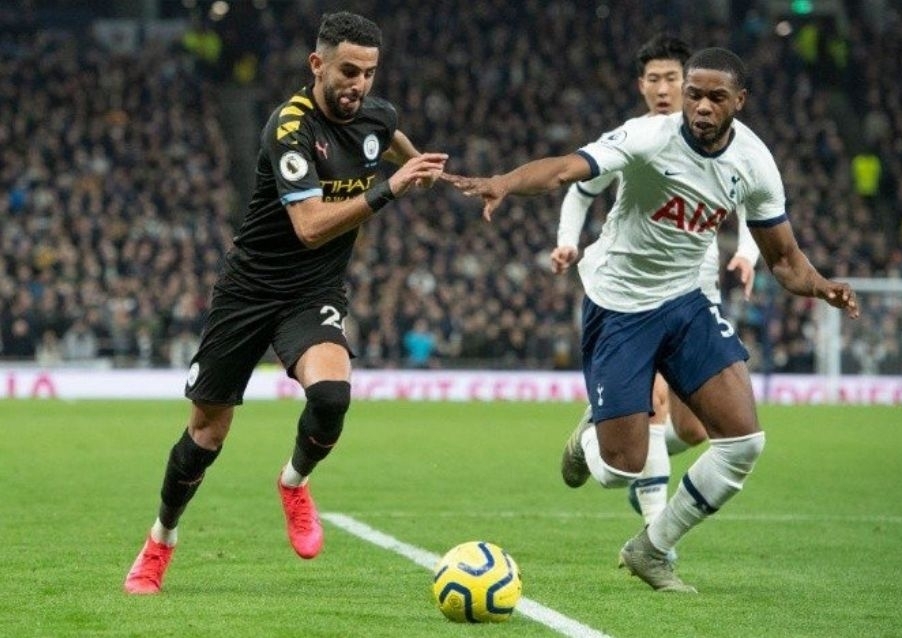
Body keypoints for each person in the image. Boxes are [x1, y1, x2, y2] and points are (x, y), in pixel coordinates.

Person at [446, 47, 858, 593]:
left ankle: (651, 548)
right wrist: (505, 181)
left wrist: (821, 285)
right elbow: (566, 170)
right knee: (620, 467)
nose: (702, 107)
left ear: (739, 100)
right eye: (694, 95)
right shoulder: (648, 137)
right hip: (618, 304)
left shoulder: (755, 162)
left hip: (685, 302)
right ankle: (588, 439)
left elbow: (783, 259)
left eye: (716, 97)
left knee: (743, 442)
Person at [123, 11, 448, 595]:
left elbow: (391, 137)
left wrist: (419, 164)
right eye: (348, 71)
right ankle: (160, 541)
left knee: (331, 396)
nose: (359, 84)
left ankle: (294, 482)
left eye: (369, 73)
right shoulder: (289, 126)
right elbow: (310, 226)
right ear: (317, 64)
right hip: (248, 292)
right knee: (206, 436)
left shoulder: (376, 115)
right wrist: (390, 188)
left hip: (312, 292)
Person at [552, 35, 761, 540]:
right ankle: (653, 532)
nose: (664, 89)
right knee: (653, 409)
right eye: (654, 79)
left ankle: (608, 440)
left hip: (697, 290)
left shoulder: (723, 143)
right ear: (641, 86)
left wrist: (747, 253)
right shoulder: (637, 138)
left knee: (693, 430)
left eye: (672, 78)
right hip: (636, 294)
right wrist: (567, 242)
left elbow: (753, 200)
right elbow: (581, 188)